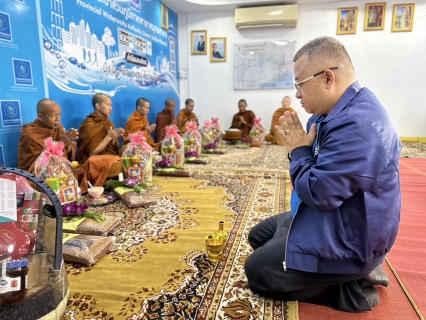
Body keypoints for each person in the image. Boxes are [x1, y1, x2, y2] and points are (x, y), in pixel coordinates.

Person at [244, 36, 401, 313]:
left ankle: (350, 288)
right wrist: (302, 150)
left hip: (350, 241)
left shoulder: (358, 127)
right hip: (335, 217)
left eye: (299, 84)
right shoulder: (330, 113)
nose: (297, 95)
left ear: (328, 78)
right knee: (258, 236)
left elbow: (319, 193)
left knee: (257, 272)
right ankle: (316, 261)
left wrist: (297, 152)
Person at [77, 93, 124, 194]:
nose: (110, 108)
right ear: (98, 106)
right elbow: (92, 153)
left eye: (111, 105)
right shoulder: (89, 124)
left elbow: (114, 149)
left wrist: (113, 139)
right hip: (94, 160)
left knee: (126, 150)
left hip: (108, 158)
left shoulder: (108, 123)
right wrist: (108, 137)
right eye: (108, 105)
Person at [17, 98, 78, 172]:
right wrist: (61, 143)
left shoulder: (58, 128)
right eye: (53, 116)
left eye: (59, 115)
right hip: (37, 177)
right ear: (40, 116)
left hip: (61, 172)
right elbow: (40, 164)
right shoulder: (30, 133)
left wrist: (68, 144)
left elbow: (68, 153)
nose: (57, 119)